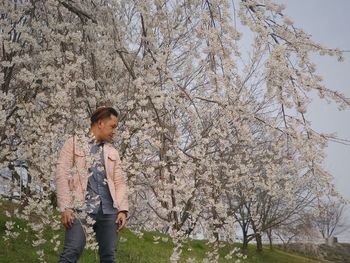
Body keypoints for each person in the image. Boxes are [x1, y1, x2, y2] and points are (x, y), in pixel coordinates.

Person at [56, 107, 129, 263]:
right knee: (71, 252)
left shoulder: (113, 152)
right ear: (100, 123)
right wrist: (66, 207)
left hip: (109, 211)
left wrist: (122, 209)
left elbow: (119, 182)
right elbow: (62, 175)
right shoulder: (74, 144)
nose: (115, 131)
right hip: (80, 209)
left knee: (109, 257)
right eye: (113, 126)